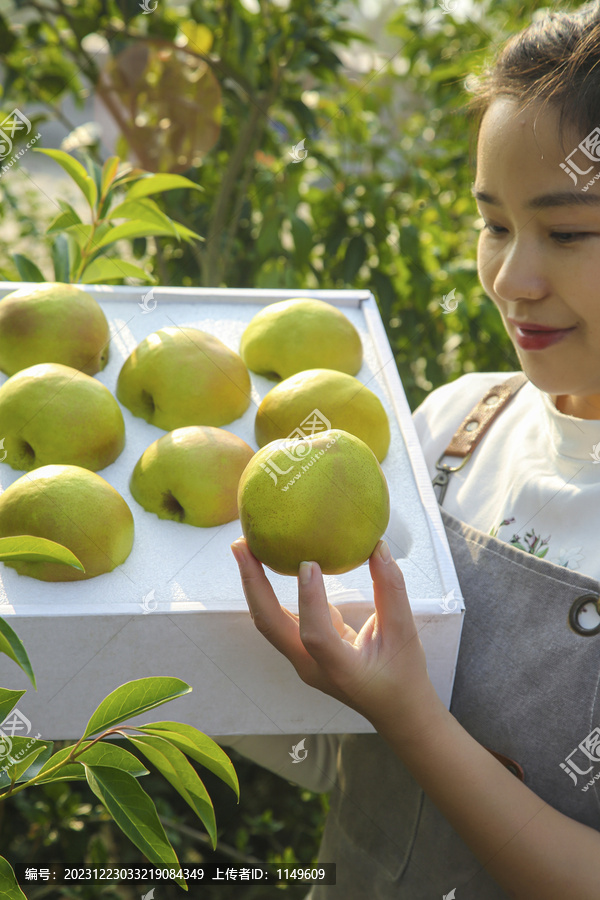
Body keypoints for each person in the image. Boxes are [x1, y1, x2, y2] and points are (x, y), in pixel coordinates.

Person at [222, 4, 600, 897]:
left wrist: (412, 719)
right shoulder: (454, 426)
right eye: (495, 224)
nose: (511, 280)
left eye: (571, 231)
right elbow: (336, 767)